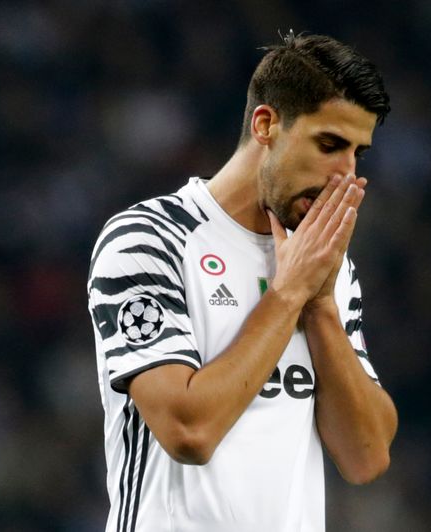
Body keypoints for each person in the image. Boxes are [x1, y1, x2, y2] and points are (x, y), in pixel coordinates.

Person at [87, 31, 398, 532]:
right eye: (330, 144)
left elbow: (365, 457)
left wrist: (320, 305)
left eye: (358, 154)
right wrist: (289, 293)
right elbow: (189, 431)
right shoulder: (150, 239)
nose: (346, 174)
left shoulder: (328, 266)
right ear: (266, 124)